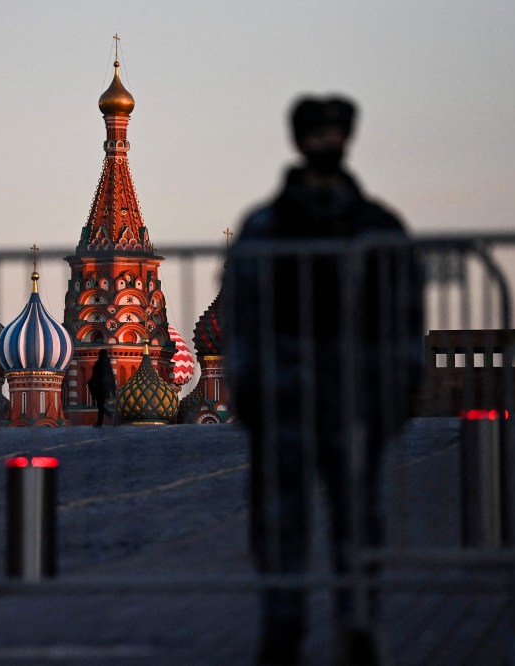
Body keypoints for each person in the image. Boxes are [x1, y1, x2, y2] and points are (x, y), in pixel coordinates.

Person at [224, 95, 424, 665]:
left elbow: (403, 310)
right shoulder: (266, 227)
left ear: (348, 137)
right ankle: (281, 629)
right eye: (316, 132)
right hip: (285, 401)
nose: (326, 142)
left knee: (357, 521)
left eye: (335, 131)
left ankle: (358, 625)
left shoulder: (377, 225)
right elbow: (242, 312)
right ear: (299, 139)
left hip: (354, 399)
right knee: (281, 523)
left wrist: (400, 389)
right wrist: (249, 389)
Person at [87, 348, 117, 426]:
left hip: (99, 388)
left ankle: (108, 415)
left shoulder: (98, 364)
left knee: (100, 406)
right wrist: (113, 390)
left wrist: (91, 384)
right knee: (101, 405)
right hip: (106, 388)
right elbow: (112, 377)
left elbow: (95, 376)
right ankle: (100, 422)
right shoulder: (108, 365)